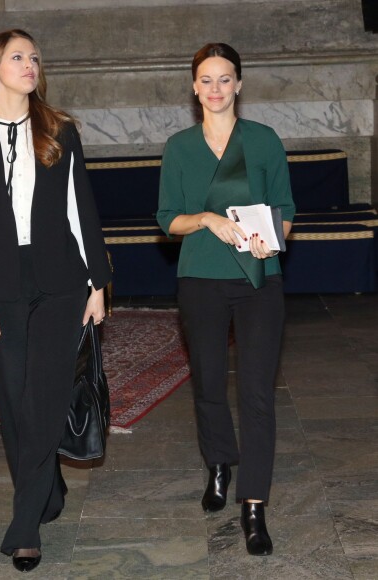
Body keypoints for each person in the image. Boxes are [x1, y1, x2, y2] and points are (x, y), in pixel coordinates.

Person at [0, 29, 111, 572]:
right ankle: (48, 490)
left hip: (61, 280)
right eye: (18, 57)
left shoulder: (59, 130)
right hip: (3, 283)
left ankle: (25, 524)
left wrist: (98, 283)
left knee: (42, 396)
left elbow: (81, 210)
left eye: (35, 57)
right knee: (14, 402)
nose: (30, 64)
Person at [157, 43, 295, 556]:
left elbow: (284, 208)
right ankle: (219, 462)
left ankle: (253, 506)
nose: (215, 89)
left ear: (239, 84)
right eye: (206, 80)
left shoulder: (263, 141)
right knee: (209, 385)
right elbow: (167, 219)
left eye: (225, 79)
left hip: (260, 280)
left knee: (258, 395)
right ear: (194, 89)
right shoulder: (179, 147)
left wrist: (272, 238)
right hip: (201, 280)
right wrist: (209, 219)